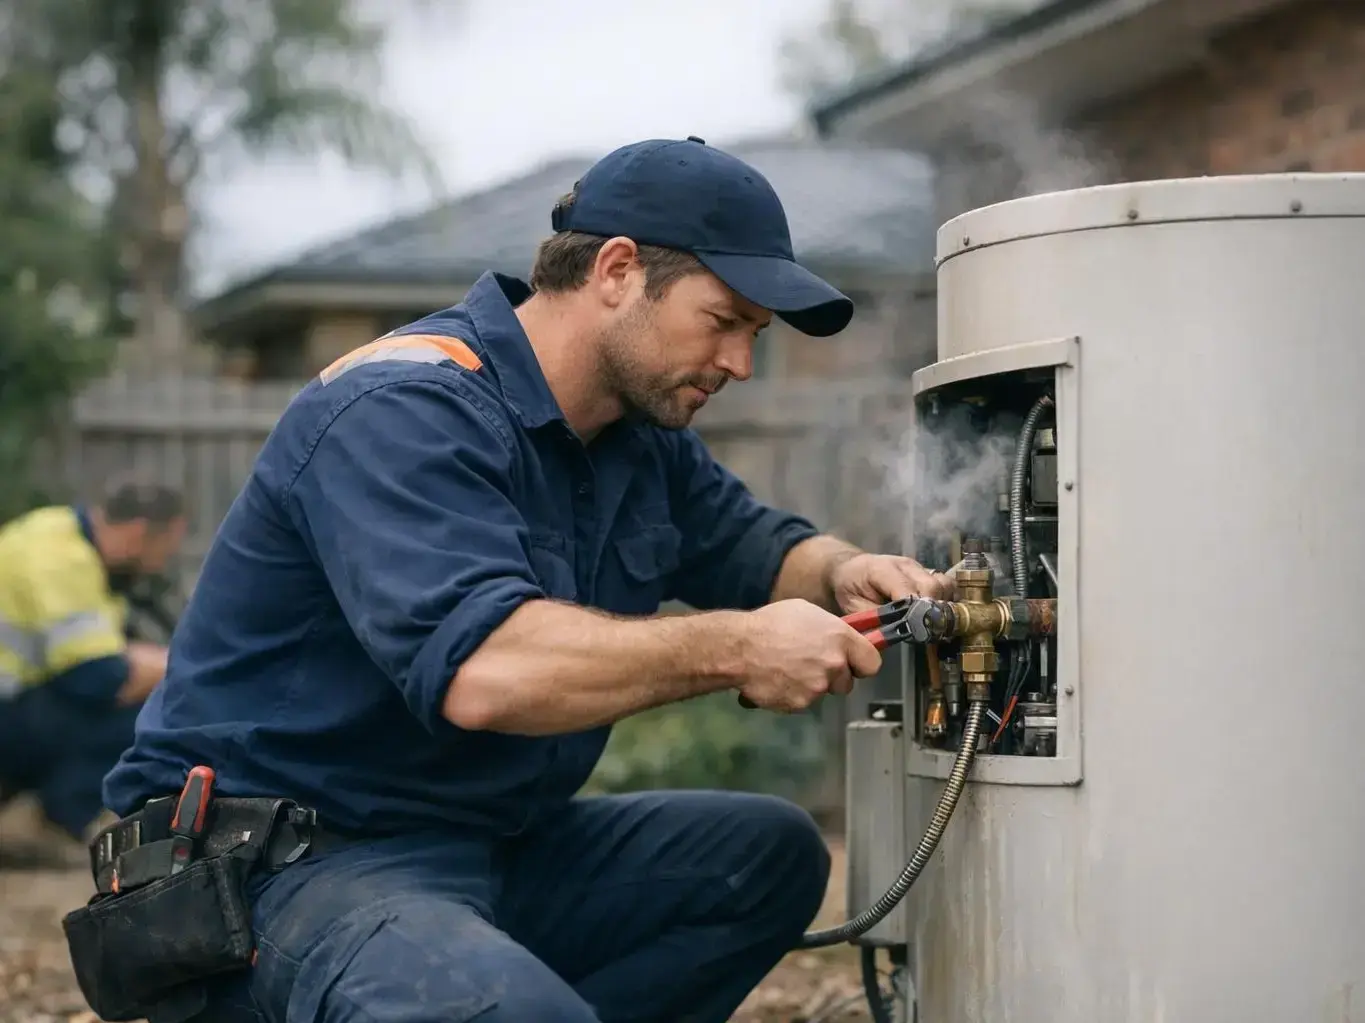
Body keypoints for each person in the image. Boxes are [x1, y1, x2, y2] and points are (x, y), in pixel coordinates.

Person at [97, 137, 955, 1023]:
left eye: (754, 336)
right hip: (284, 866)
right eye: (724, 319)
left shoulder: (634, 435)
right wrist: (740, 646)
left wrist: (844, 568)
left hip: (474, 847)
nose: (738, 361)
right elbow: (487, 670)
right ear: (618, 270)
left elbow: (755, 545)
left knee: (762, 855)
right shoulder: (402, 408)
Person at [0, 477, 185, 843]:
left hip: (17, 700)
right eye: (164, 550)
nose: (161, 563)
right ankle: (52, 821)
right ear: (137, 533)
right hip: (9, 713)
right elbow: (96, 679)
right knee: (158, 713)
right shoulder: (62, 561)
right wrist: (174, 666)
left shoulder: (54, 530)